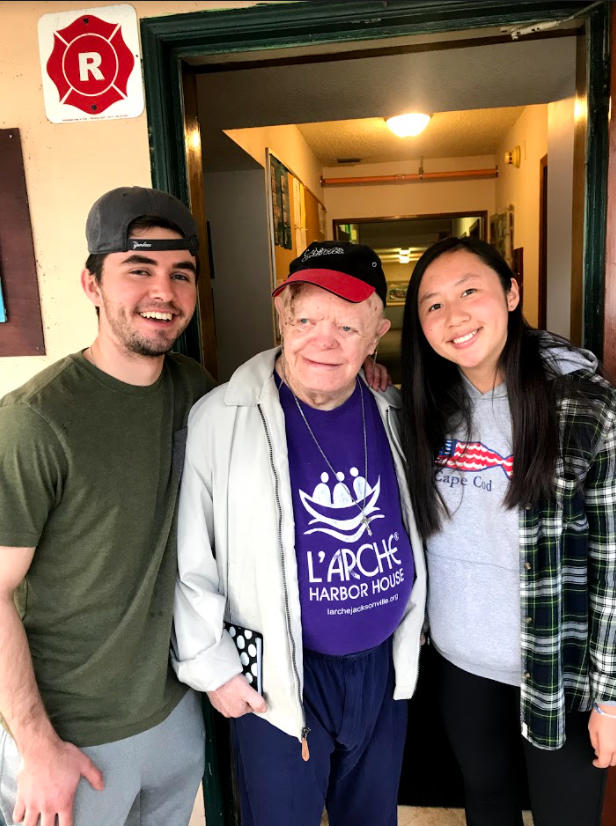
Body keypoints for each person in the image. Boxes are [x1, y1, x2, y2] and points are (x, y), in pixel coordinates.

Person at [172, 241, 426, 826]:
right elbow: (191, 555)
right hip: (279, 682)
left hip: (381, 673)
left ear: (376, 335)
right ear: (283, 320)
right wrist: (215, 670)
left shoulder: (394, 411)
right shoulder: (222, 416)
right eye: (306, 319)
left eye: (346, 324)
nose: (324, 339)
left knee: (372, 819)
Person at [0, 187, 215, 826]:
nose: (164, 292)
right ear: (92, 283)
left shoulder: (196, 391)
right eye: (138, 270)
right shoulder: (34, 421)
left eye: (181, 274)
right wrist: (36, 746)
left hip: (175, 713)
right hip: (71, 739)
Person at [400, 235, 616, 826]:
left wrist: (611, 697)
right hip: (460, 663)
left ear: (511, 292)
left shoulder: (584, 408)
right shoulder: (424, 408)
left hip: (557, 666)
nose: (455, 316)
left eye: (470, 291)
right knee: (486, 803)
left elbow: (613, 560)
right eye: (433, 304)